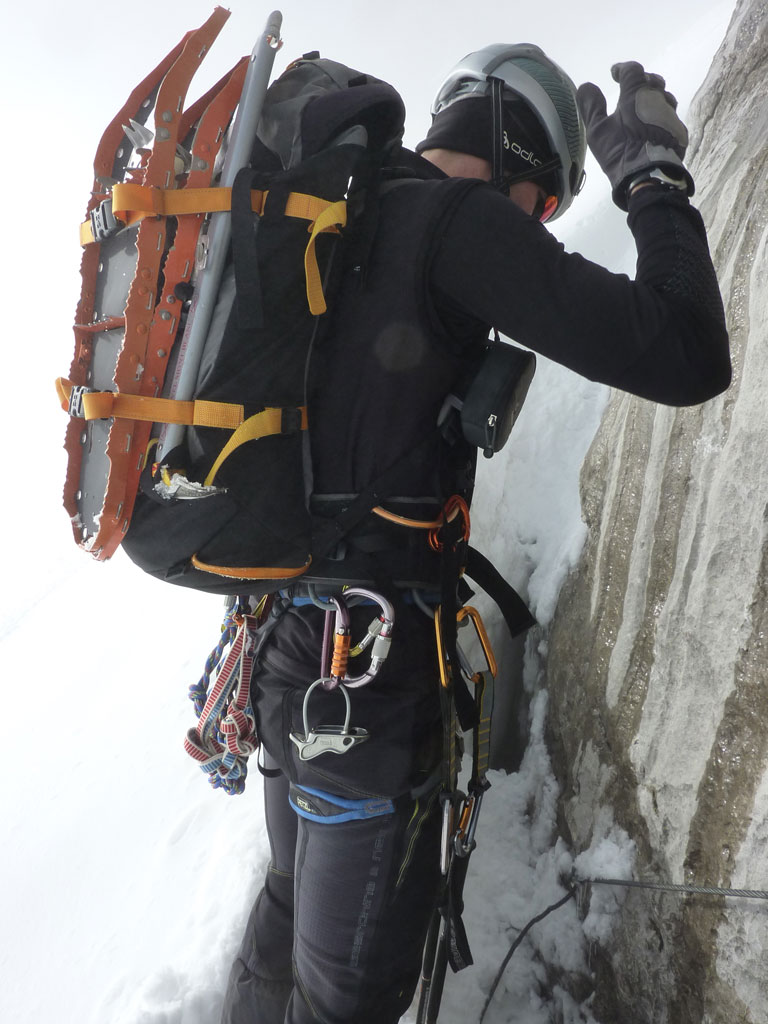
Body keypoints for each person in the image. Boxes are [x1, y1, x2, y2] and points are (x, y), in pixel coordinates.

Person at [220, 45, 730, 1024]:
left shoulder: (344, 225)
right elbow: (683, 348)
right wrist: (654, 179)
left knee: (286, 910)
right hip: (365, 689)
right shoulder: (452, 223)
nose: (534, 225)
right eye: (539, 201)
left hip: (290, 649)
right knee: (348, 999)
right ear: (507, 151)